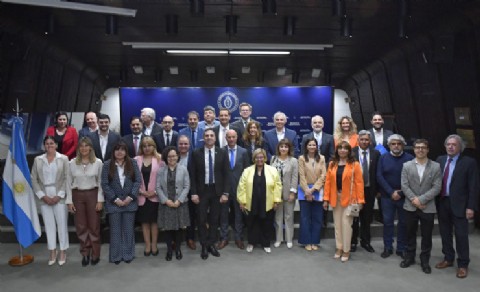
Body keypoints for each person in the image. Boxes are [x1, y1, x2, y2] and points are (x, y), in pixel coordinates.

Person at [435, 134, 479, 279]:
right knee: (445, 233)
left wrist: (471, 207)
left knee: (461, 236)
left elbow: (473, 186)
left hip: (461, 205)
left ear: (460, 147)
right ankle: (448, 258)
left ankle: (463, 265)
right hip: (442, 203)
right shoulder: (440, 160)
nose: (451, 147)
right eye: (448, 144)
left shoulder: (469, 162)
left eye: (454, 144)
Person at [400, 139, 441, 274]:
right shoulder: (406, 165)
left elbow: (437, 187)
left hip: (427, 207)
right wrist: (414, 200)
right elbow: (404, 185)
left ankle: (425, 261)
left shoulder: (435, 166)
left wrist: (421, 200)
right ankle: (410, 257)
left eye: (423, 147)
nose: (420, 150)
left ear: (428, 150)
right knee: (410, 233)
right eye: (417, 147)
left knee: (427, 236)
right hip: (410, 206)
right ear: (413, 149)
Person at [189, 128, 230, 260]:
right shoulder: (196, 153)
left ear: (215, 138)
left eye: (211, 135)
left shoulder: (222, 152)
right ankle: (203, 246)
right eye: (206, 135)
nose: (209, 137)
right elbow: (192, 175)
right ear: (203, 138)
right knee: (201, 220)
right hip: (201, 191)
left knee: (214, 220)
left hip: (217, 191)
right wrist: (193, 193)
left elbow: (226, 174)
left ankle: (211, 244)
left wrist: (225, 193)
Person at [31, 136, 70, 266]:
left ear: (56, 145)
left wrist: (59, 195)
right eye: (47, 144)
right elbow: (33, 179)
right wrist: (43, 196)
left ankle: (63, 250)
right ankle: (52, 251)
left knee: (62, 224)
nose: (49, 146)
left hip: (60, 194)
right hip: (44, 195)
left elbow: (67, 178)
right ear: (44, 146)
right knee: (49, 225)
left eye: (52, 143)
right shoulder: (38, 160)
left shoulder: (63, 159)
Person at [101, 141, 141, 264]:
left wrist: (131, 197)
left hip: (130, 202)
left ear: (126, 152)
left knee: (128, 230)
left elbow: (137, 181)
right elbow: (105, 184)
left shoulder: (132, 163)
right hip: (114, 204)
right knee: (115, 231)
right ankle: (116, 256)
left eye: (122, 149)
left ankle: (128, 255)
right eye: (117, 149)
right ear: (113, 152)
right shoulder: (107, 164)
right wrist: (115, 199)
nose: (119, 152)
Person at [323, 141, 364, 262]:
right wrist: (326, 199)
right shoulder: (332, 164)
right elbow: (328, 183)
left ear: (349, 151)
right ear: (337, 150)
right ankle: (339, 248)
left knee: (346, 224)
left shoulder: (354, 164)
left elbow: (359, 183)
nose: (342, 150)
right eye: (340, 148)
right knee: (337, 225)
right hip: (336, 198)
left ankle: (346, 250)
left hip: (350, 199)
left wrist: (360, 200)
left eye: (345, 148)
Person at [66, 137, 104, 266]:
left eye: (86, 146)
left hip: (93, 194)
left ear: (91, 148)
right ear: (78, 149)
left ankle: (95, 253)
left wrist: (100, 200)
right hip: (77, 195)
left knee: (94, 226)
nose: (84, 148)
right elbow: (68, 183)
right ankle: (85, 253)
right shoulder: (72, 163)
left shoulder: (98, 163)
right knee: (81, 226)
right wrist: (69, 201)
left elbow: (101, 183)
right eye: (81, 146)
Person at [237, 148, 282, 253]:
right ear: (254, 158)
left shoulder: (272, 170)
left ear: (265, 158)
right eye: (257, 157)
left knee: (266, 223)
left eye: (261, 157)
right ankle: (251, 243)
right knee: (252, 223)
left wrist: (276, 201)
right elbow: (241, 186)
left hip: (268, 202)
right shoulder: (247, 171)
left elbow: (278, 186)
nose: (259, 159)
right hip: (251, 202)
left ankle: (266, 244)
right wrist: (242, 201)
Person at [376, 134, 413, 259]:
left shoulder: (410, 158)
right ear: (389, 145)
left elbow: (412, 178)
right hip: (387, 197)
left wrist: (401, 193)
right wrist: (391, 192)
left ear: (403, 145)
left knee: (403, 223)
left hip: (405, 196)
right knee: (387, 223)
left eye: (398, 143)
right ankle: (388, 247)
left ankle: (401, 248)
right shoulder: (383, 158)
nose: (396, 146)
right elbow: (379, 176)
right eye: (393, 143)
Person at [217, 129, 250, 250]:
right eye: (229, 137)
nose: (231, 139)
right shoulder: (220, 151)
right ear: (226, 138)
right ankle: (224, 238)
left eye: (233, 137)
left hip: (239, 190)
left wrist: (245, 191)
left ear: (237, 138)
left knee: (238, 216)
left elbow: (247, 172)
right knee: (224, 215)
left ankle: (238, 238)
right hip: (224, 191)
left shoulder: (244, 152)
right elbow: (219, 172)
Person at [156, 146, 190, 261]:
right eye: (169, 156)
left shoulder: (183, 169)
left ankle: (178, 249)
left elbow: (186, 186)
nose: (172, 158)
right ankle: (169, 250)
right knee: (168, 229)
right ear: (165, 157)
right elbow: (158, 187)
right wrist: (166, 200)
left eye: (174, 156)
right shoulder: (161, 171)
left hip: (179, 203)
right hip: (167, 204)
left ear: (178, 156)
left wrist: (179, 200)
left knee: (179, 228)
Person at [350, 130, 380, 253]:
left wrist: (377, 190)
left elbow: (378, 173)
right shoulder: (351, 152)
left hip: (369, 190)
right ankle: (353, 242)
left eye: (366, 139)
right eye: (362, 139)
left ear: (370, 141)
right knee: (354, 217)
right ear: (358, 141)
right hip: (354, 191)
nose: (364, 141)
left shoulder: (376, 153)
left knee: (367, 218)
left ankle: (365, 242)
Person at [135, 136, 163, 257]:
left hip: (155, 196)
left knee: (154, 222)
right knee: (145, 223)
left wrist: (156, 192)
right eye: (144, 146)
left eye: (149, 145)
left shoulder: (160, 159)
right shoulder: (136, 160)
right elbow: (132, 178)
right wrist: (140, 191)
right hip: (141, 196)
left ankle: (154, 245)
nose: (147, 148)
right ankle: (147, 245)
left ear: (154, 147)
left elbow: (163, 179)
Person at [298, 138, 326, 251]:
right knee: (305, 218)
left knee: (317, 218)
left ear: (316, 146)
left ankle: (315, 241)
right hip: (304, 190)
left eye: (314, 145)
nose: (312, 147)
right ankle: (306, 242)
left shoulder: (322, 158)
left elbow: (323, 175)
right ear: (306, 146)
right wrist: (307, 191)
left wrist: (314, 189)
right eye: (309, 145)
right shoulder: (301, 158)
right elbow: (301, 175)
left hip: (318, 190)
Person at [271, 138, 298, 249]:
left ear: (289, 148)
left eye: (286, 147)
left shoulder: (293, 160)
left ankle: (289, 239)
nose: (283, 148)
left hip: (288, 192)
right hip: (276, 193)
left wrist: (292, 192)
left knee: (289, 216)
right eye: (281, 146)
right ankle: (278, 239)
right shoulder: (273, 159)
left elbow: (295, 177)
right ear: (278, 148)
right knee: (277, 217)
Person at [177, 135, 197, 250]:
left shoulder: (194, 156)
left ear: (189, 145)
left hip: (191, 191)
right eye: (181, 144)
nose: (183, 146)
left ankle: (190, 238)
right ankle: (177, 240)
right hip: (176, 192)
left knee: (190, 215)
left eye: (185, 144)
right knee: (176, 216)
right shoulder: (173, 156)